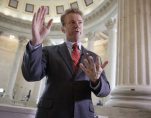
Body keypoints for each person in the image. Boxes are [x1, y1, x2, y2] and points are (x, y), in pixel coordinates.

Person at [22, 6, 110, 118]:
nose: (77, 25)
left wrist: (96, 81)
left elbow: (105, 91)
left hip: (83, 114)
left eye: (80, 22)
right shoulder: (49, 51)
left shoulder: (94, 57)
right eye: (72, 22)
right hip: (51, 114)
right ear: (63, 28)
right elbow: (31, 75)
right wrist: (36, 42)